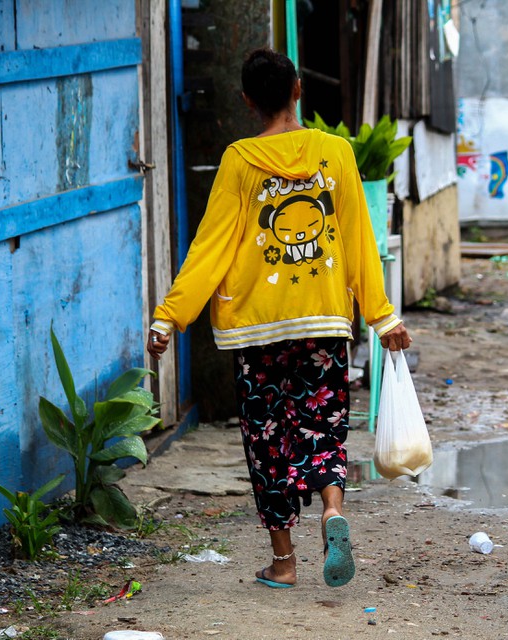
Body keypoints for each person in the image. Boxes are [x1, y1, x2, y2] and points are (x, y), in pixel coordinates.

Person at [146, 47, 411, 590]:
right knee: (323, 427)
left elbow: (211, 246)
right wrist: (382, 318)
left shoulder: (240, 159)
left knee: (269, 442)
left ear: (247, 101)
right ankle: (332, 512)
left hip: (257, 328)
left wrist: (169, 318)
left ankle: (285, 564)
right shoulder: (335, 153)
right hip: (322, 323)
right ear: (297, 89)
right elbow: (361, 241)